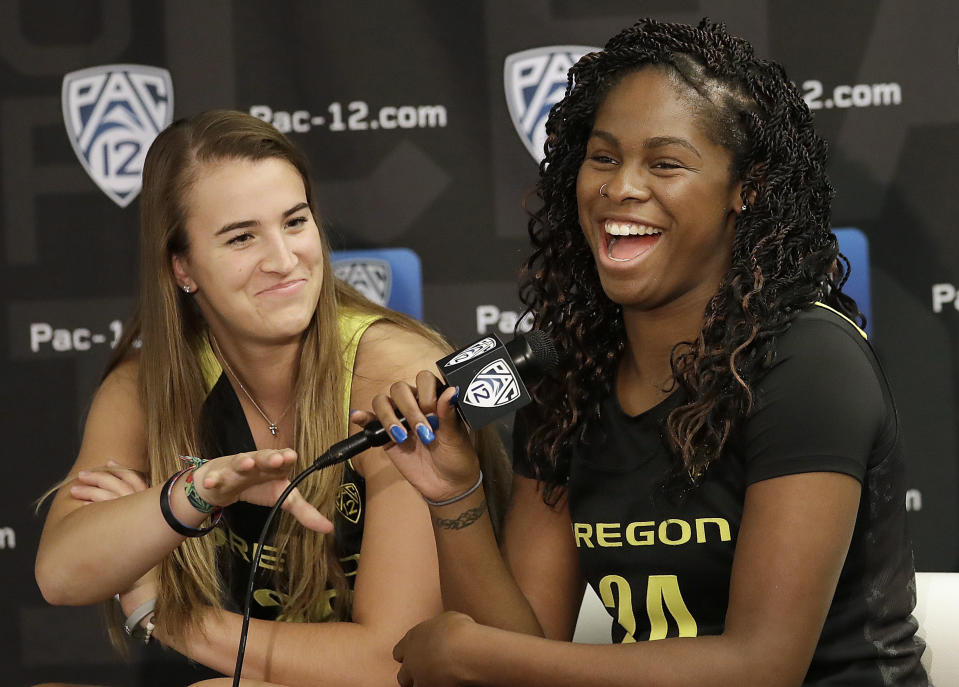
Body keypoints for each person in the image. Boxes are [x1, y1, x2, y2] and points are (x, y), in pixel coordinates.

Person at [351, 18, 929, 687]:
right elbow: (525, 646)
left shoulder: (807, 363)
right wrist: (455, 491)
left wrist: (477, 654)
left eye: (665, 163)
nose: (620, 187)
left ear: (746, 188)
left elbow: (759, 668)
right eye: (602, 157)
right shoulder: (569, 377)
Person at [34, 110, 509, 687]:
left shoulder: (392, 377)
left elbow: (393, 661)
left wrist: (165, 614)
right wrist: (193, 493)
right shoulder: (150, 386)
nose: (284, 260)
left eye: (295, 222)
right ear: (182, 267)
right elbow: (61, 575)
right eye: (241, 237)